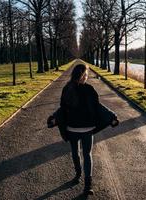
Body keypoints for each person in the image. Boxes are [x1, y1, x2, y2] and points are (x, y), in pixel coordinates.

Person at [48, 63, 119, 195]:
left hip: (72, 129)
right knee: (87, 154)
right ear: (83, 75)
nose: (87, 77)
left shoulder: (67, 89)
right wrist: (111, 116)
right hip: (87, 129)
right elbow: (98, 106)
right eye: (86, 74)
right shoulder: (89, 89)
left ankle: (78, 174)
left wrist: (54, 118)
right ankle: (88, 185)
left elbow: (63, 109)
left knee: (75, 152)